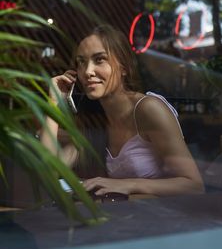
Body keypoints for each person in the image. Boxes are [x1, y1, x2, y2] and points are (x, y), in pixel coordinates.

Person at [41, 24, 204, 197]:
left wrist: (127, 184)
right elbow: (48, 171)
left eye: (99, 59)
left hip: (165, 219)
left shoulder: (148, 109)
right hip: (127, 218)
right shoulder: (98, 121)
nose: (87, 71)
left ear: (123, 67)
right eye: (81, 62)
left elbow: (193, 185)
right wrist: (53, 102)